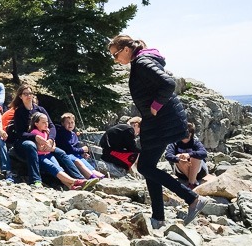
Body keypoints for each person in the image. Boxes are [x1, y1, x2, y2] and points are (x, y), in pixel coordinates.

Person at [109, 34, 209, 227]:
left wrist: (155, 106)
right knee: (148, 166)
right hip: (158, 122)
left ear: (126, 50)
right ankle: (158, 218)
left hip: (162, 121)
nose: (115, 60)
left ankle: (193, 199)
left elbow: (168, 83)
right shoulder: (141, 61)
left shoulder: (142, 62)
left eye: (116, 54)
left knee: (145, 167)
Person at [8, 84, 85, 186]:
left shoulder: (40, 110)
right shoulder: (19, 112)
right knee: (31, 146)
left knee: (61, 152)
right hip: (25, 141)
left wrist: (50, 140)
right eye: (25, 94)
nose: (28, 96)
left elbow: (51, 126)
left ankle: (80, 178)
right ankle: (35, 180)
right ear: (20, 96)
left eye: (30, 93)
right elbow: (20, 133)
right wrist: (35, 138)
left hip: (44, 141)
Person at [31, 113, 96, 190]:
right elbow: (40, 148)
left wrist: (51, 147)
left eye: (47, 122)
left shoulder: (47, 132)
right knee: (53, 167)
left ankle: (70, 186)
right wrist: (49, 147)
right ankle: (76, 181)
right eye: (43, 122)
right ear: (36, 124)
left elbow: (53, 143)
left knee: (59, 168)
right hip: (41, 156)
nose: (46, 124)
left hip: (49, 154)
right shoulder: (35, 133)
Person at [55, 113, 106, 180]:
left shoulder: (73, 134)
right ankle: (92, 178)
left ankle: (101, 177)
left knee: (87, 165)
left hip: (75, 154)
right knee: (78, 161)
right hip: (66, 155)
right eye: (68, 123)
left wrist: (82, 153)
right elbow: (69, 149)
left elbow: (75, 147)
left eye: (72, 122)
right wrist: (82, 150)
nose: (70, 124)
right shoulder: (61, 134)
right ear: (62, 123)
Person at [165, 122, 209, 189]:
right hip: (181, 173)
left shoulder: (195, 142)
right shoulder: (175, 143)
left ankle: (191, 183)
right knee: (179, 156)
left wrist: (189, 154)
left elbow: (204, 153)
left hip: (199, 172)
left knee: (195, 157)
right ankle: (194, 182)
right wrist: (179, 159)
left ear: (190, 134)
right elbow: (168, 155)